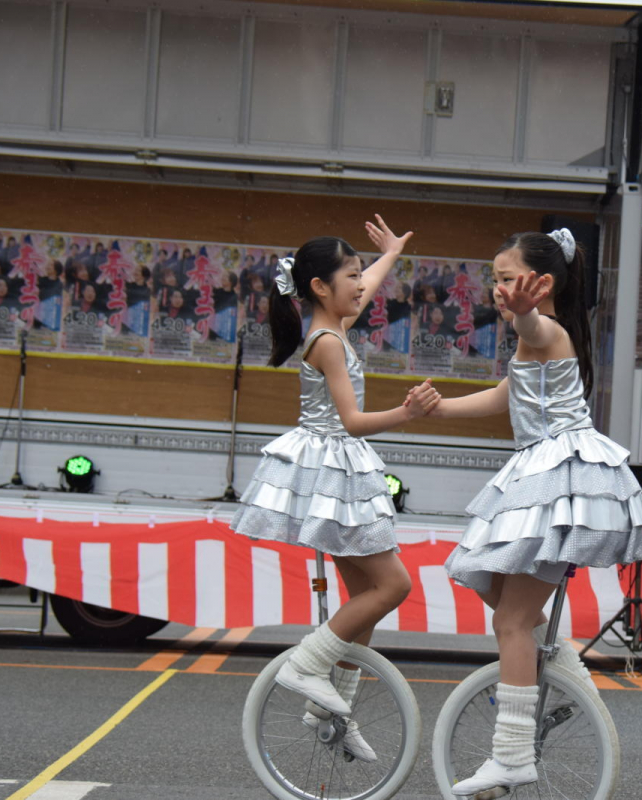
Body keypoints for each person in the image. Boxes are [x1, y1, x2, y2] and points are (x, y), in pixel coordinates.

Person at [434, 229, 642, 796]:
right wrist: (440, 408)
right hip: (544, 475)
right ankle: (564, 672)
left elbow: (537, 328)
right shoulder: (533, 335)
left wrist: (526, 314)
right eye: (497, 280)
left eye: (507, 280)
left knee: (509, 620)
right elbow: (508, 394)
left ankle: (510, 756)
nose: (498, 290)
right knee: (503, 604)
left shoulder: (544, 328)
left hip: (559, 479)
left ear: (542, 285)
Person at [229, 216, 438, 763]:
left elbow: (368, 284)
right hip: (333, 467)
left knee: (363, 607)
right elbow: (350, 420)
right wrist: (407, 412)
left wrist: (391, 252)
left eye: (361, 275)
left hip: (338, 472)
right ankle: (304, 666)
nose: (362, 284)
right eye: (351, 275)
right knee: (392, 586)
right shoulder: (326, 342)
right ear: (320, 287)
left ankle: (332, 710)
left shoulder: (333, 326)